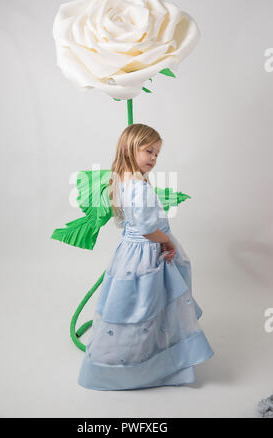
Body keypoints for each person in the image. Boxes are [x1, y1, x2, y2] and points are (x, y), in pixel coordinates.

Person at [78, 124, 214, 390]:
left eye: (157, 154)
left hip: (131, 253)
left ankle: (145, 354)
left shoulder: (123, 179)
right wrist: (166, 241)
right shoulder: (138, 186)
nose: (153, 158)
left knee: (139, 305)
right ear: (131, 148)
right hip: (145, 255)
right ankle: (141, 363)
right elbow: (147, 230)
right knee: (147, 305)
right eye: (148, 151)